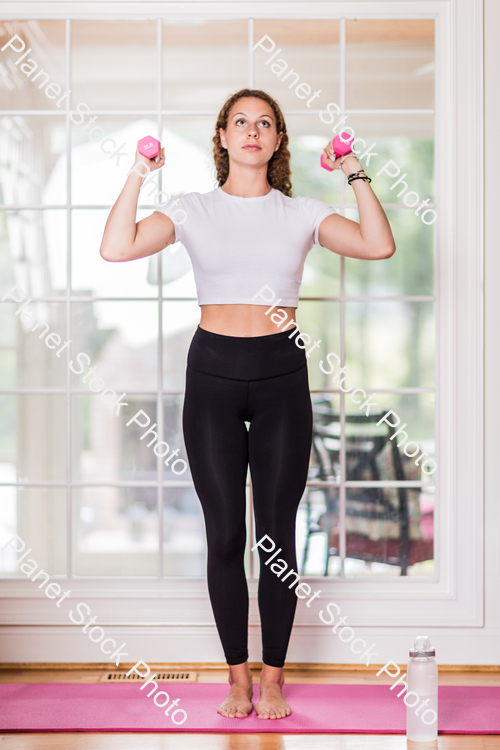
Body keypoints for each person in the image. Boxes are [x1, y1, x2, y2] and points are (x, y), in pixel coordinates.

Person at [100, 88, 395, 720]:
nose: (253, 131)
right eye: (241, 122)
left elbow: (378, 245)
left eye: (265, 122)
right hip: (212, 375)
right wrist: (137, 171)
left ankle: (275, 677)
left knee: (277, 537)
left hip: (280, 374)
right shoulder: (192, 209)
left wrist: (353, 170)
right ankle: (237, 679)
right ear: (224, 138)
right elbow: (117, 247)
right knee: (225, 533)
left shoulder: (302, 213)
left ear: (278, 140)